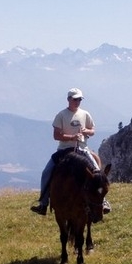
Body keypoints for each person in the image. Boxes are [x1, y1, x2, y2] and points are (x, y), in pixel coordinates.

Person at [31, 87, 110, 215]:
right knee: (47, 172)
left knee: (98, 174)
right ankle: (43, 203)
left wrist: (86, 132)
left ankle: (104, 201)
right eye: (75, 99)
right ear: (68, 99)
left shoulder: (85, 114)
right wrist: (71, 137)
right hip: (64, 150)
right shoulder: (61, 115)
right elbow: (56, 135)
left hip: (83, 149)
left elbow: (92, 130)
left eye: (79, 99)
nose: (78, 102)